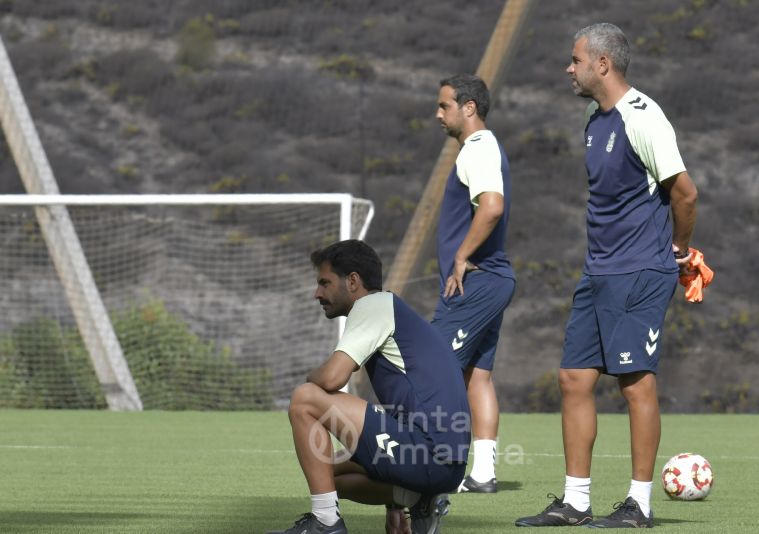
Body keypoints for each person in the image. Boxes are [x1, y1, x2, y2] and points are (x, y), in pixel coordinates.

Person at [515, 23, 698, 528]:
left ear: (602, 64)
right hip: (598, 271)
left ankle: (640, 503)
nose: (567, 69)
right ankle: (575, 502)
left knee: (635, 383)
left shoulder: (646, 118)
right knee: (573, 378)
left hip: (640, 270)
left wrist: (677, 248)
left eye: (575, 60)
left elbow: (685, 193)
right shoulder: (595, 121)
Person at [267, 239, 471, 534]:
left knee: (305, 398)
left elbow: (332, 379)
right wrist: (394, 505)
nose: (317, 293)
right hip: (445, 466)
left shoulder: (373, 305)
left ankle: (325, 523)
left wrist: (311, 376)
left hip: (429, 455)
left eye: (324, 283)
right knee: (326, 474)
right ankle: (418, 500)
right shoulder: (396, 312)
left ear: (352, 281)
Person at [431, 73, 516, 494]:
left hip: (476, 283)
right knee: (477, 378)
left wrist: (461, 256)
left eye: (445, 106)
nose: (438, 114)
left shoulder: (477, 148)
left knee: (429, 369)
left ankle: (425, 464)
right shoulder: (481, 148)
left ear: (469, 108)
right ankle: (482, 474)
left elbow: (492, 206)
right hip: (493, 280)